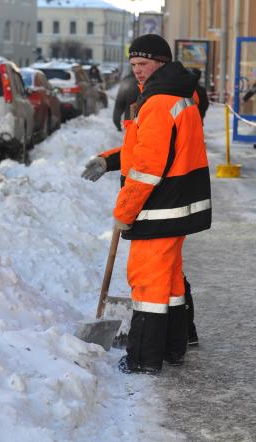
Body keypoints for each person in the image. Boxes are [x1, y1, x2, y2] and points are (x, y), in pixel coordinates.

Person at [81, 34, 211, 374]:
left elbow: (147, 169)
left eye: (144, 64)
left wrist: (124, 212)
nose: (137, 71)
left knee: (149, 282)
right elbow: (148, 151)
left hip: (160, 205)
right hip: (178, 204)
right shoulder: (177, 95)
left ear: (162, 63)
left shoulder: (157, 102)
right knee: (168, 284)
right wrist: (109, 161)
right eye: (134, 65)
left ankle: (143, 359)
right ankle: (172, 349)